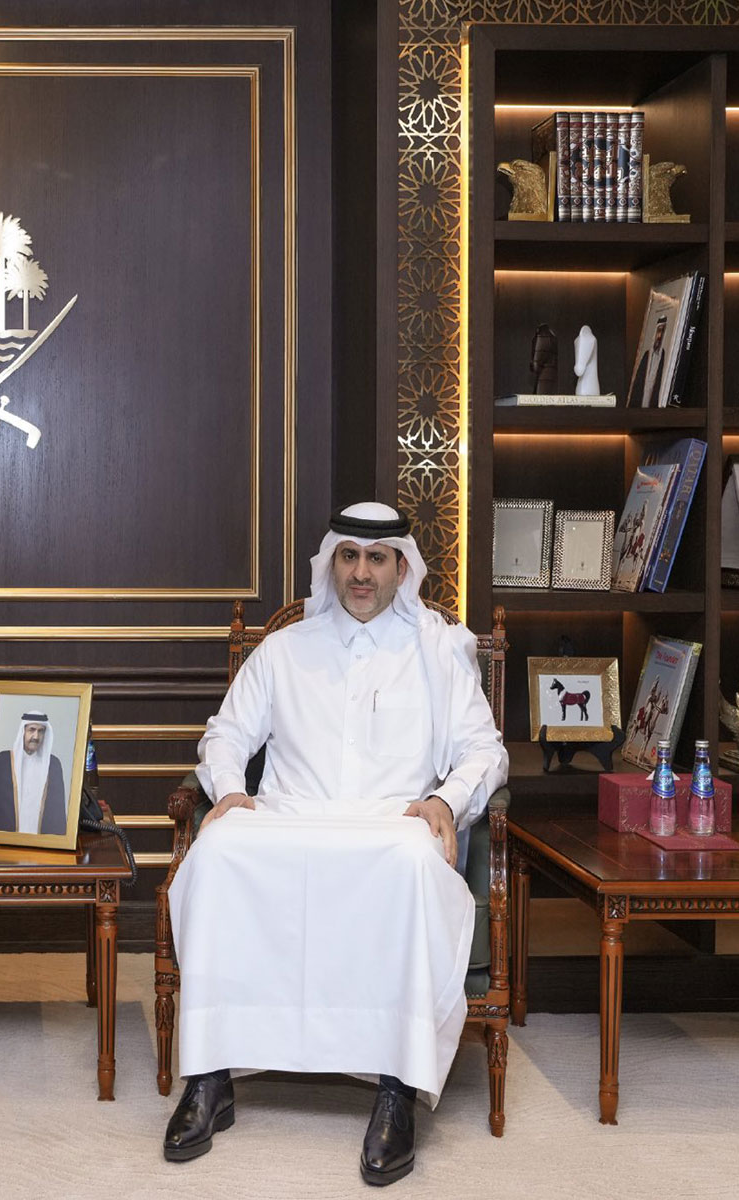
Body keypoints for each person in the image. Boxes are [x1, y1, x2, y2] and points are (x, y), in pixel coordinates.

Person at [162, 502, 509, 1186]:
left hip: (388, 830)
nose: (360, 572)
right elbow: (225, 735)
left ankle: (395, 1089)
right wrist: (230, 789)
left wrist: (444, 800)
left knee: (414, 861)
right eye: (348, 556)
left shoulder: (437, 650)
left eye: (376, 559)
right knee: (217, 851)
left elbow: (485, 752)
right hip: (291, 821)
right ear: (331, 564)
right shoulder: (285, 649)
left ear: (400, 567)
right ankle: (209, 1077)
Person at [0, 712, 68, 835]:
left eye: (41, 731)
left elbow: (58, 811)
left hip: (42, 845)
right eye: (31, 730)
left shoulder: (53, 765)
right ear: (23, 731)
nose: (36, 736)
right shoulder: (2, 761)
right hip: (6, 844)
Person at [628, 314, 667, 408]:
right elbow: (638, 382)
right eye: (658, 331)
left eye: (662, 332)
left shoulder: (663, 355)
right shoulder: (647, 355)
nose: (659, 336)